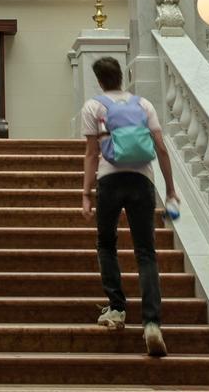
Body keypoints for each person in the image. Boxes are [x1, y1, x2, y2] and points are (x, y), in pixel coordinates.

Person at [79, 56, 178, 357]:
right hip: (142, 180)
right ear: (122, 77)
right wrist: (171, 189)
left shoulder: (93, 107)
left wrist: (86, 193)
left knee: (106, 244)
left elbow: (92, 154)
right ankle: (151, 323)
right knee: (146, 252)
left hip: (110, 181)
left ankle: (117, 309)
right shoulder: (144, 104)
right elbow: (160, 147)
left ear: (99, 80)